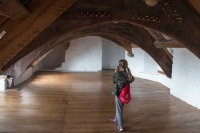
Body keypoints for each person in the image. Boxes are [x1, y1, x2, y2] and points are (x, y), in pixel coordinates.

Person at [109, 59, 134, 132]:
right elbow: (131, 80)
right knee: (119, 107)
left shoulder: (119, 74)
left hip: (119, 93)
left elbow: (114, 80)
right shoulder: (127, 73)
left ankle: (120, 125)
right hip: (124, 93)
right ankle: (116, 119)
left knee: (119, 109)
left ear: (119, 66)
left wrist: (115, 72)